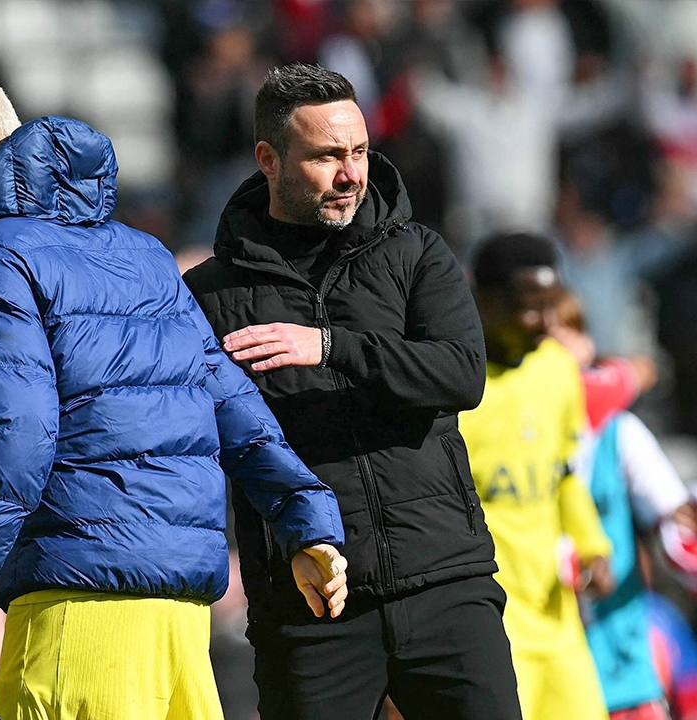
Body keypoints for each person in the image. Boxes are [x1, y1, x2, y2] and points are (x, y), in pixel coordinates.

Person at [0, 70, 348, 720]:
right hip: (180, 621)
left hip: (77, 615)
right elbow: (232, 405)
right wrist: (307, 520)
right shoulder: (147, 257)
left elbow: (14, 438)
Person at [184, 63, 520, 720]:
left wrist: (332, 346)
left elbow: (461, 373)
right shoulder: (211, 295)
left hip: (444, 580)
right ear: (269, 160)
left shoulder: (418, 253)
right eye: (326, 156)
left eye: (359, 151)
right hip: (311, 603)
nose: (350, 174)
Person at [457, 232, 613, 720]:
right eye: (529, 308)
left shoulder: (558, 369)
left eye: (552, 306)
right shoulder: (454, 387)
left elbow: (563, 474)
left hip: (555, 612)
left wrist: (592, 545)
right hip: (490, 619)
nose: (546, 323)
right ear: (484, 301)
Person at [550, 293, 696, 720]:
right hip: (546, 667)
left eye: (563, 335)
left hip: (621, 667)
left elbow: (677, 513)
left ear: (585, 345)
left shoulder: (620, 432)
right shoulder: (513, 433)